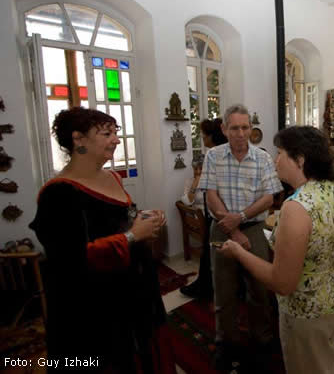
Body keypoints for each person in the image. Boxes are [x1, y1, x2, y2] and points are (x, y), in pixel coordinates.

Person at [29, 107, 174, 374]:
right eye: (107, 133)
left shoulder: (113, 177)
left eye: (115, 133)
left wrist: (144, 218)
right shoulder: (59, 194)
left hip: (136, 292)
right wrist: (132, 236)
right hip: (98, 308)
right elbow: (70, 261)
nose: (116, 140)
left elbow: (115, 219)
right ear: (78, 139)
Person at [219, 126, 334, 374]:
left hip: (307, 310)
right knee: (327, 358)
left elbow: (282, 283)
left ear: (300, 160)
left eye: (280, 153)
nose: (275, 159)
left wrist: (239, 253)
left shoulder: (297, 207)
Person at [200, 104, 282, 371]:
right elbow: (210, 195)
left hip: (254, 230)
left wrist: (242, 218)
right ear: (224, 129)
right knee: (223, 290)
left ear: (251, 129)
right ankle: (227, 343)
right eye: (234, 128)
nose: (240, 133)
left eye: (245, 127)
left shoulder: (263, 158)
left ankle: (263, 340)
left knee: (259, 289)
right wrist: (233, 229)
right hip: (222, 229)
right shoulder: (213, 156)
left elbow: (269, 198)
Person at [180, 118, 227, 299]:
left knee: (211, 254)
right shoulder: (222, 153)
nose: (202, 138)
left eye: (204, 135)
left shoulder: (214, 155)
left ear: (211, 136)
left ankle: (206, 288)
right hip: (217, 211)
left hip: (216, 213)